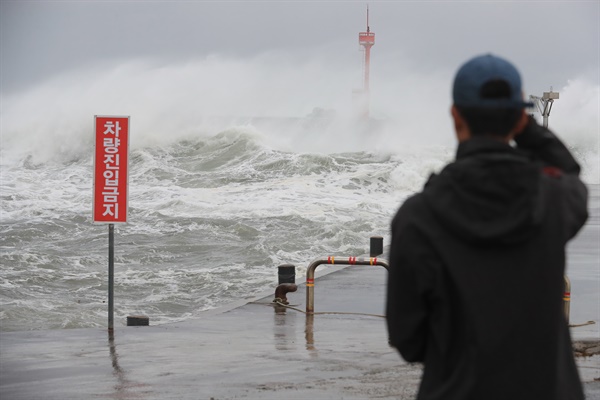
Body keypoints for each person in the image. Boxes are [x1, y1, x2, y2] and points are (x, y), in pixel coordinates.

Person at [386, 54, 588, 400]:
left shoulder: (418, 217)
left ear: (455, 115)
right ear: (518, 118)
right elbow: (570, 173)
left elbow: (408, 339)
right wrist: (528, 128)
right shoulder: (553, 199)